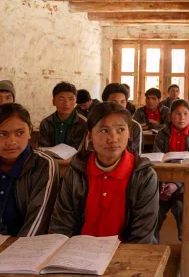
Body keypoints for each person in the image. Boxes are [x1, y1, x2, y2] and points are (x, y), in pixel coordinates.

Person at [49, 102, 159, 244]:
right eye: (104, 131)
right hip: (78, 253)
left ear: (129, 133)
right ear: (89, 135)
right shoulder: (77, 171)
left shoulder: (143, 176)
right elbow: (61, 226)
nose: (113, 139)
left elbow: (142, 237)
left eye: (120, 130)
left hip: (124, 256)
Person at [0, 103, 59, 237]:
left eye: (20, 133)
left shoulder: (43, 164)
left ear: (30, 132)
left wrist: (17, 252)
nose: (11, 141)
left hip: (24, 247)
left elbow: (38, 221)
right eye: (2, 134)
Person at [154, 99, 189, 240]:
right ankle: (152, 243)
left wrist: (176, 184)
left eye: (185, 113)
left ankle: (186, 241)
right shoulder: (162, 134)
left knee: (181, 206)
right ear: (171, 116)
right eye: (178, 114)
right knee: (154, 208)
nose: (182, 117)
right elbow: (157, 161)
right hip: (164, 179)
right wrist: (165, 183)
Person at [39, 81, 87, 149]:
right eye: (61, 99)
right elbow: (43, 148)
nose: (66, 103)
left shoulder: (83, 123)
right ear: (53, 102)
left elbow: (79, 151)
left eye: (71, 99)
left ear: (76, 101)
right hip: (50, 159)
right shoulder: (46, 123)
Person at [102, 83, 143, 154]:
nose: (119, 106)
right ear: (105, 102)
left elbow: (136, 155)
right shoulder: (97, 124)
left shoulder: (135, 126)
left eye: (122, 102)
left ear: (126, 103)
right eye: (113, 102)